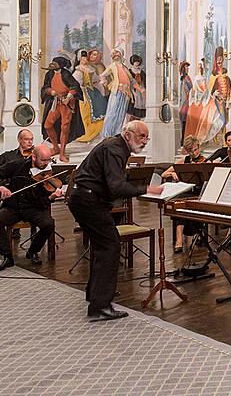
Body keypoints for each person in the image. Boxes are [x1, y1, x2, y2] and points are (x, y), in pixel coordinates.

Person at [68, 120, 164, 322]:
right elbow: (116, 186)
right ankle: (100, 306)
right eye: (141, 136)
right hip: (88, 200)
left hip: (85, 199)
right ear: (128, 135)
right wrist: (147, 189)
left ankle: (94, 295)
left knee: (103, 246)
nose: (145, 141)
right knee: (110, 246)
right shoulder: (114, 149)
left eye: (147, 137)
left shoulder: (116, 147)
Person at [0, 144, 62, 270]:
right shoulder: (17, 165)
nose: (46, 164)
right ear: (34, 157)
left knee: (48, 224)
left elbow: (42, 201)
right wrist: (1, 186)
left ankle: (32, 251)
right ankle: (7, 256)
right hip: (15, 206)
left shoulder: (48, 173)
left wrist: (51, 197)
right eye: (43, 160)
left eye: (48, 160)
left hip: (34, 207)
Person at [162, 135, 206, 253]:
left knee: (189, 205)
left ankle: (189, 238)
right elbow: (164, 174)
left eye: (196, 149)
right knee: (178, 206)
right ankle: (179, 240)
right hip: (186, 192)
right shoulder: (183, 161)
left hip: (198, 193)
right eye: (191, 151)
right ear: (187, 151)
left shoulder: (204, 160)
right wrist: (172, 174)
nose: (195, 153)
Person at [41, 56, 85, 163]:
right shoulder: (49, 74)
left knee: (65, 128)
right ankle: (56, 148)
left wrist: (69, 97)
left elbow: (75, 87)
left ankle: (62, 153)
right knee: (48, 125)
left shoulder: (66, 74)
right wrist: (50, 91)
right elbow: (45, 87)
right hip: (55, 103)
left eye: (55, 63)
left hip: (66, 104)